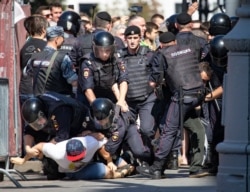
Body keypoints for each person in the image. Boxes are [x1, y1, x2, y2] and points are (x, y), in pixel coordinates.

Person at [136, 32, 206, 179]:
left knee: (168, 131)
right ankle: (196, 167)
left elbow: (154, 82)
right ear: (175, 41)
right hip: (199, 93)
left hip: (181, 97)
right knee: (196, 127)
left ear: (161, 44)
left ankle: (156, 168)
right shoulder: (188, 48)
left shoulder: (162, 54)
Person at [21, 91, 94, 179]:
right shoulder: (35, 108)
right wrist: (28, 149)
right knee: (52, 171)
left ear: (42, 113)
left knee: (62, 161)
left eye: (39, 121)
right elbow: (29, 131)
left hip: (78, 126)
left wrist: (41, 150)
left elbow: (62, 137)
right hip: (57, 126)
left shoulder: (60, 109)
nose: (39, 124)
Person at [10, 136, 132, 179]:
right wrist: (23, 160)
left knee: (116, 163)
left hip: (92, 159)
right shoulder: (58, 152)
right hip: (74, 171)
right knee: (109, 173)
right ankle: (123, 171)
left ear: (84, 150)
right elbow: (39, 147)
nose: (78, 160)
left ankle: (128, 164)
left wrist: (109, 160)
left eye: (79, 157)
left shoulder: (90, 143)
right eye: (75, 158)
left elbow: (103, 145)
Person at [118, 25, 156, 154]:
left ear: (140, 38)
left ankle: (150, 155)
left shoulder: (149, 54)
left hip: (147, 98)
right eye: (130, 38)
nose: (132, 41)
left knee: (146, 129)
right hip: (128, 101)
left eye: (135, 37)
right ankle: (133, 157)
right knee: (126, 129)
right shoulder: (119, 56)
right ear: (125, 39)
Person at [86, 98, 152, 168]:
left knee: (139, 152)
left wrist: (101, 142)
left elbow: (108, 150)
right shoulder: (90, 118)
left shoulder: (118, 124)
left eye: (104, 120)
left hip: (127, 129)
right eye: (98, 121)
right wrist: (91, 134)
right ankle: (127, 157)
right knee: (108, 162)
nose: (101, 123)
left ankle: (152, 157)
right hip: (108, 134)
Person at [78, 31, 128, 111]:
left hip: (110, 96)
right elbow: (88, 89)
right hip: (91, 99)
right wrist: (97, 108)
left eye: (107, 50)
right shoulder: (88, 62)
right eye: (101, 50)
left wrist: (121, 100)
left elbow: (124, 79)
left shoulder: (117, 58)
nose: (104, 54)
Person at [24, 26, 78, 97]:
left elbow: (26, 74)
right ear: (57, 39)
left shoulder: (34, 56)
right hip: (58, 102)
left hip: (39, 100)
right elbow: (74, 81)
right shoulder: (63, 57)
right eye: (62, 38)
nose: (64, 40)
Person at [20, 15, 48, 100]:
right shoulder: (47, 46)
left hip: (25, 89)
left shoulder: (24, 46)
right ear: (43, 29)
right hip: (40, 91)